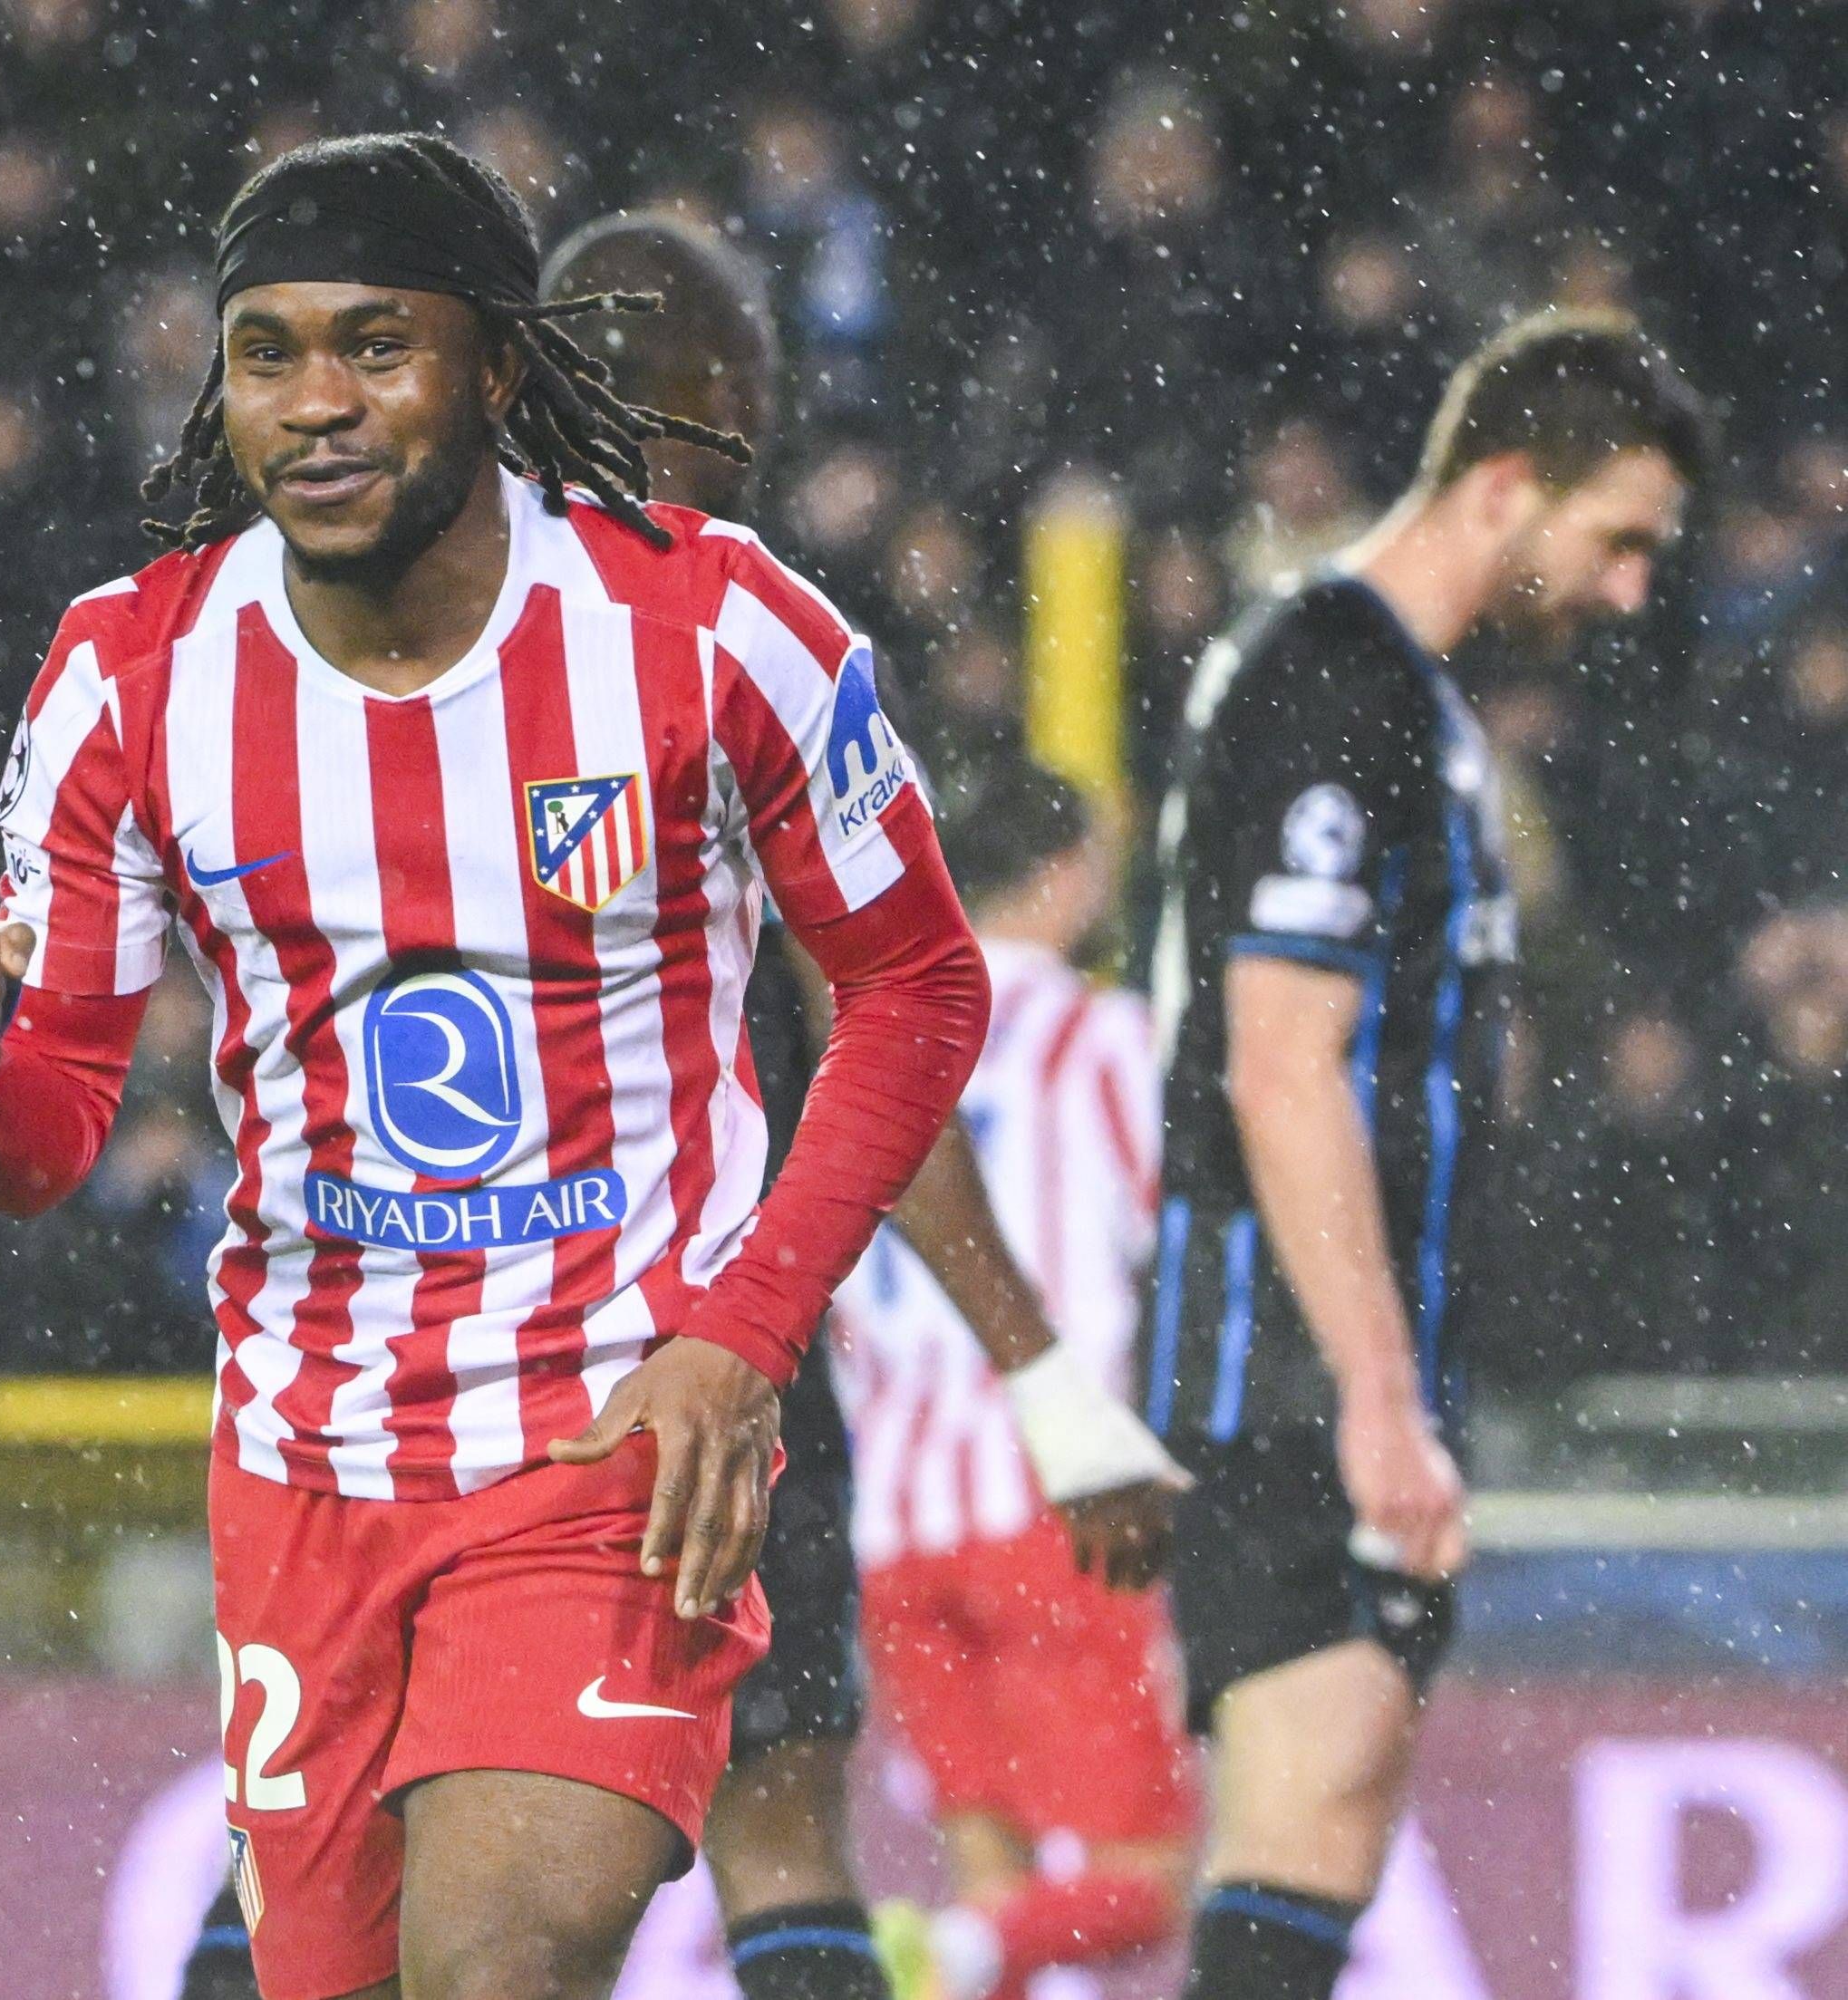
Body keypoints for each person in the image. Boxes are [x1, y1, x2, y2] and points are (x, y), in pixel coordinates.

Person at [0, 130, 996, 2000]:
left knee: (500, 1966)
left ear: (497, 366)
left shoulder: (714, 630)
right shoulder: (128, 677)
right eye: (269, 354)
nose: (317, 405)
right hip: (305, 1465)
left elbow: (915, 986)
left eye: (376, 348)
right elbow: (45, 1141)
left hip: (610, 1439)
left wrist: (742, 1332)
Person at [165, 207, 1181, 2000]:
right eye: (754, 402)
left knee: (317, 1870)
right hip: (676, 1366)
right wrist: (1036, 1371)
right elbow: (882, 1015)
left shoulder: (343, 619)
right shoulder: (719, 638)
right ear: (713, 395)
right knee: (776, 1828)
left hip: (371, 1384)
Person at [1145, 309, 1705, 2000]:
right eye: (1617, 541)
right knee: (1301, 1827)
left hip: (1322, 1365)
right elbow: (1282, 1060)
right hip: (1290, 1373)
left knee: (1326, 1831)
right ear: (1508, 485)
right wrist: (1379, 1396)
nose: (1626, 590)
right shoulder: (1339, 683)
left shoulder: (1387, 690)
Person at [830, 758, 1195, 2000]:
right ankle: (924, 1958)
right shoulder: (1096, 1040)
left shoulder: (865, 1041)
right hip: (1054, 1504)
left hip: (892, 1522)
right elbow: (1180, 1250)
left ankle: (958, 1949)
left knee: (998, 1878)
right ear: (1072, 873)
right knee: (1143, 1879)